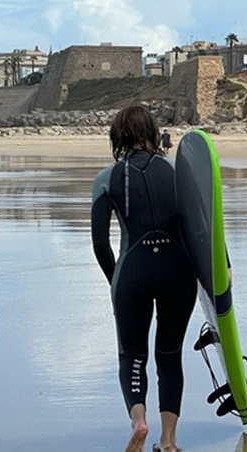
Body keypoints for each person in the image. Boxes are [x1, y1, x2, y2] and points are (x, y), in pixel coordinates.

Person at [91, 106, 196, 452]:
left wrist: (116, 281)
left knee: (132, 354)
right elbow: (204, 226)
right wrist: (218, 273)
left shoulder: (106, 178)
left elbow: (100, 242)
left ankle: (139, 421)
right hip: (178, 271)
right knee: (170, 353)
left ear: (117, 136)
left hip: (133, 272)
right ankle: (169, 441)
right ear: (154, 132)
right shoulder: (180, 171)